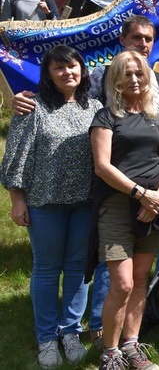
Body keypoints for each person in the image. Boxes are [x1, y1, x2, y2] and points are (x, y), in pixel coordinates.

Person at [11, 15, 159, 347]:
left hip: (113, 194)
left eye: (148, 39)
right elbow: (61, 96)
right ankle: (79, 332)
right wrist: (17, 100)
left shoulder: (157, 84)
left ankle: (100, 331)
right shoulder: (96, 85)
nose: (143, 44)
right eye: (136, 37)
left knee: (93, 267)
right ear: (122, 39)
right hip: (101, 193)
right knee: (95, 268)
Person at [0, 46, 101, 368]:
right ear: (48, 74)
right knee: (46, 269)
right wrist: (18, 200)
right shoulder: (33, 106)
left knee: (77, 269)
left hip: (84, 203)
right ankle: (46, 339)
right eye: (59, 68)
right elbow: (17, 156)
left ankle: (70, 332)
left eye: (72, 66)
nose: (67, 72)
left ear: (82, 70)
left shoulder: (95, 107)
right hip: (44, 202)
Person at [90, 51, 159, 369]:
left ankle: (131, 347)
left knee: (140, 280)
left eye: (139, 73)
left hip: (154, 207)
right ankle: (110, 354)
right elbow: (102, 166)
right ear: (116, 79)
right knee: (123, 283)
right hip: (116, 206)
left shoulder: (155, 117)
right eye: (127, 73)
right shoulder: (106, 116)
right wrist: (140, 194)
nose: (135, 79)